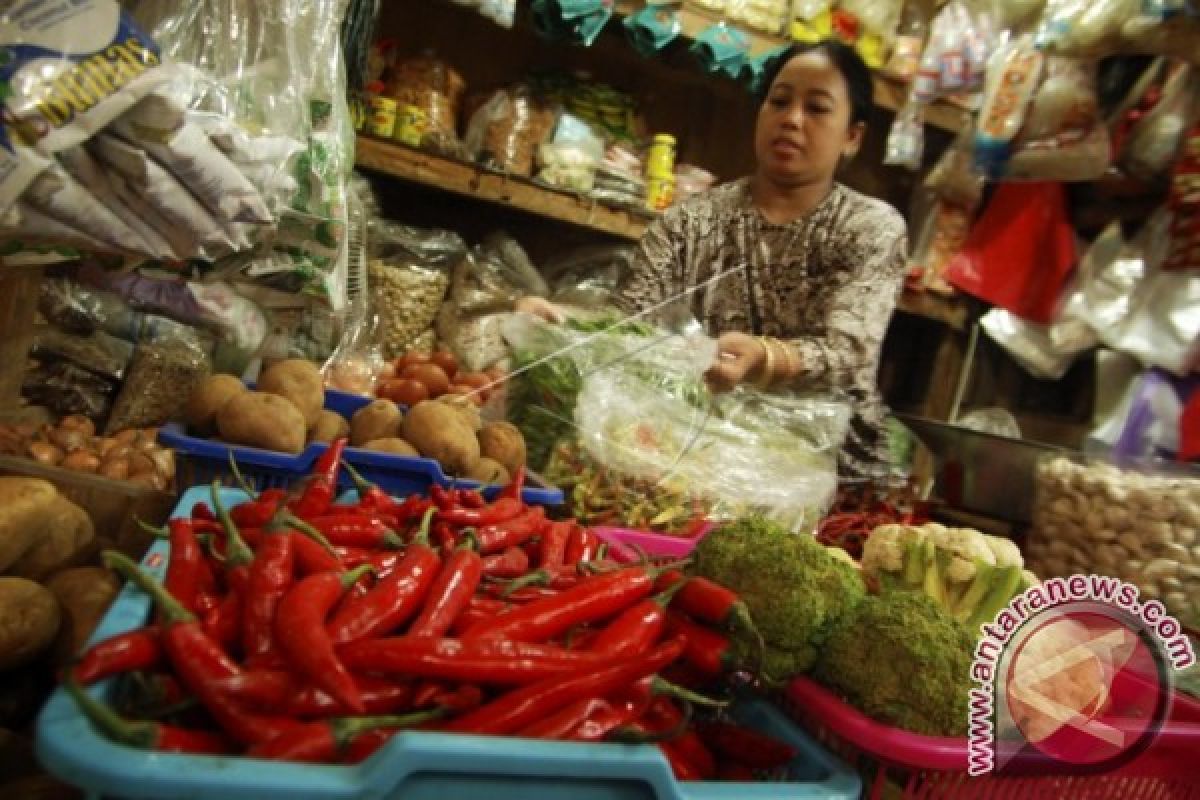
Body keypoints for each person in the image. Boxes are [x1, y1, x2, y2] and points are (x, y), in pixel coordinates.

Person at [518, 39, 908, 478]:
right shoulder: (692, 221)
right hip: (702, 449)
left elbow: (848, 352)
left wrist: (764, 357)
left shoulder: (870, 227)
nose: (792, 120)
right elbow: (631, 324)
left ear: (852, 136)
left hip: (826, 466)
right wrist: (562, 322)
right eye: (778, 101)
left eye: (817, 108)